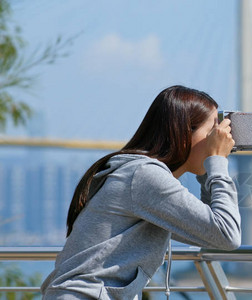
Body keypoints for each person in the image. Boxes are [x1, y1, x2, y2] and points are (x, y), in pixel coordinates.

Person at [41, 85, 241, 299]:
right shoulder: (145, 175)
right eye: (213, 131)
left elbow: (206, 231)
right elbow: (226, 235)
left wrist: (208, 167)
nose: (219, 140)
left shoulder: (138, 172)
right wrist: (217, 162)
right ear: (184, 135)